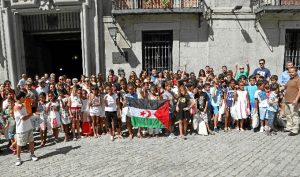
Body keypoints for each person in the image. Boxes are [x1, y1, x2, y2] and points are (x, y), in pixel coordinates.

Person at [14, 91, 38, 166]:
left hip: (28, 127)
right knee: (19, 144)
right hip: (21, 129)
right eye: (25, 97)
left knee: (31, 141)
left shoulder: (22, 105)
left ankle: (32, 154)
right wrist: (31, 114)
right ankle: (18, 158)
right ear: (21, 98)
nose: (26, 98)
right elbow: (23, 118)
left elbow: (26, 112)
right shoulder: (16, 107)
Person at [284, 67, 300, 136]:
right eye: (289, 72)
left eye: (292, 72)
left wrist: (296, 99)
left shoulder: (298, 80)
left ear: (296, 72)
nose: (291, 73)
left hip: (293, 101)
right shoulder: (290, 80)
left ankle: (295, 129)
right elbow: (285, 87)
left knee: (294, 115)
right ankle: (289, 127)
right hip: (287, 100)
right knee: (288, 115)